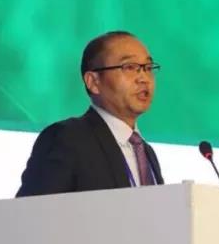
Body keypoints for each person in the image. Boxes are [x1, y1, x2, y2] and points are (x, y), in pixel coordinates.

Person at [16, 31, 164, 196]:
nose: (144, 78)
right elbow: (33, 209)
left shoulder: (146, 153)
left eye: (148, 68)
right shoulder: (67, 139)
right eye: (129, 67)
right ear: (93, 82)